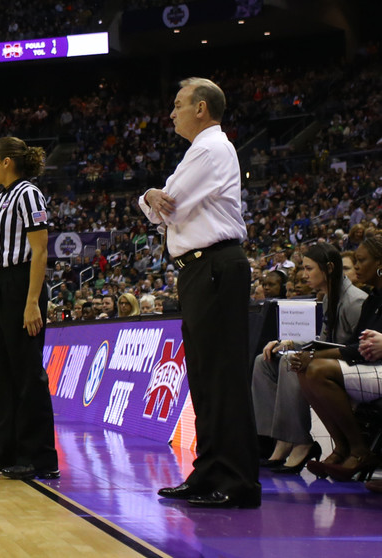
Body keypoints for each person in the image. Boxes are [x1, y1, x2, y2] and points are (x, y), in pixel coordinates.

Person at [139, 78, 260, 508]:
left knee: (222, 378)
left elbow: (167, 205)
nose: (171, 113)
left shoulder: (209, 149)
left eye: (177, 105)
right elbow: (161, 211)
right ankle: (209, 471)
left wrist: (151, 196)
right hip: (200, 270)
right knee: (206, 379)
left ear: (202, 108)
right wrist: (151, 198)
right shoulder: (203, 150)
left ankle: (238, 480)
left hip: (215, 266)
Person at [0, 136, 59, 481]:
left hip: (23, 285)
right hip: (0, 286)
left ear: (7, 161)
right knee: (3, 375)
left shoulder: (28, 194)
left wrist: (32, 301)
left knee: (26, 374)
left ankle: (40, 457)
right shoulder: (2, 198)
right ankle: (6, 447)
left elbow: (39, 251)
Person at [251, 243, 365, 474]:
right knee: (263, 362)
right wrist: (289, 343)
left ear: (329, 268)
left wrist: (303, 353)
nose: (304, 275)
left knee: (290, 362)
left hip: (349, 367)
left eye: (309, 268)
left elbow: (356, 349)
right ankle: (277, 439)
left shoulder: (354, 301)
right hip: (331, 360)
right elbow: (324, 340)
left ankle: (300, 440)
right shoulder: (328, 298)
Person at [291, 237, 382, 481]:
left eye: (362, 261)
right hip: (370, 367)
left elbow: (357, 348)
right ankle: (343, 447)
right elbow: (355, 346)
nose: (356, 266)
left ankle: (359, 449)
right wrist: (313, 355)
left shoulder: (357, 299)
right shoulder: (374, 299)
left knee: (318, 369)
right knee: (306, 368)